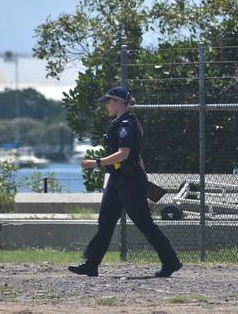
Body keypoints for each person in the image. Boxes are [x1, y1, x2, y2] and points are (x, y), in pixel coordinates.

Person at [68, 86, 183, 278]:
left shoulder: (126, 125)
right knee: (105, 222)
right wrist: (143, 177)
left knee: (144, 223)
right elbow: (137, 157)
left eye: (109, 101)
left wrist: (96, 163)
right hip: (118, 179)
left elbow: (124, 154)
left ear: (119, 102)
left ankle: (171, 261)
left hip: (129, 181)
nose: (106, 105)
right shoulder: (121, 122)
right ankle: (91, 264)